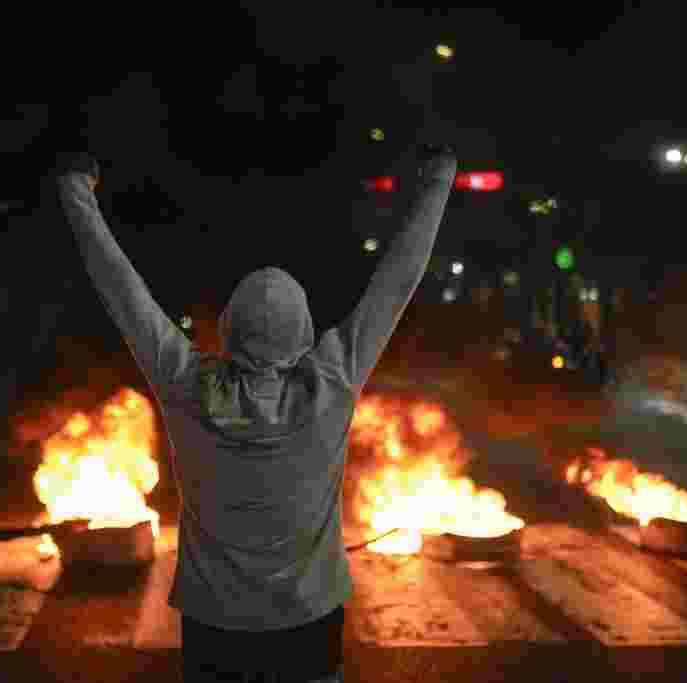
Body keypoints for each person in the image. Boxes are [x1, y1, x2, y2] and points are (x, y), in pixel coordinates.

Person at [56, 145, 456, 682]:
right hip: (308, 627)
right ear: (303, 330)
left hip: (214, 628)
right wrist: (439, 179)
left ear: (229, 328)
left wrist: (75, 190)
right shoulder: (330, 384)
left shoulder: (186, 385)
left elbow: (122, 292)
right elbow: (397, 279)